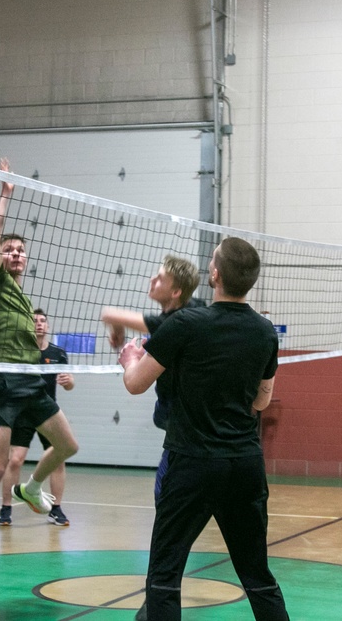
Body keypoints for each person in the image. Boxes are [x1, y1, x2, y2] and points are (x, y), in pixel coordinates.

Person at [118, 237, 289, 620]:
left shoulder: (186, 324)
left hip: (192, 463)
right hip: (244, 464)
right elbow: (261, 402)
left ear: (214, 275)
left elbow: (135, 383)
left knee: (164, 577)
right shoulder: (265, 332)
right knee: (257, 576)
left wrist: (130, 358)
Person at [0, 158, 80, 586]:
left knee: (67, 444)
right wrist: (5, 194)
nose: (15, 254)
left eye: (20, 251)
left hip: (31, 382)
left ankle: (32, 488)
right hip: (2, 382)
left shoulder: (22, 294)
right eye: (10, 250)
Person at [101, 255, 204, 621]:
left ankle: (156, 603)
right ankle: (157, 599)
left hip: (184, 445)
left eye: (158, 277)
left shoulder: (169, 321)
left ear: (175, 291)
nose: (151, 279)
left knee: (169, 526)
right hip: (204, 442)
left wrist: (127, 353)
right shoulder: (200, 310)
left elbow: (110, 315)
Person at [0, 307, 75, 527]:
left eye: (43, 320)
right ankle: (6, 509)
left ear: (47, 326)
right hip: (23, 413)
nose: (39, 323)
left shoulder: (58, 354)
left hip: (47, 413)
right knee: (15, 460)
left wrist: (69, 383)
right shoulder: (21, 351)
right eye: (35, 320)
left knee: (58, 459)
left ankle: (56, 508)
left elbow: (69, 383)